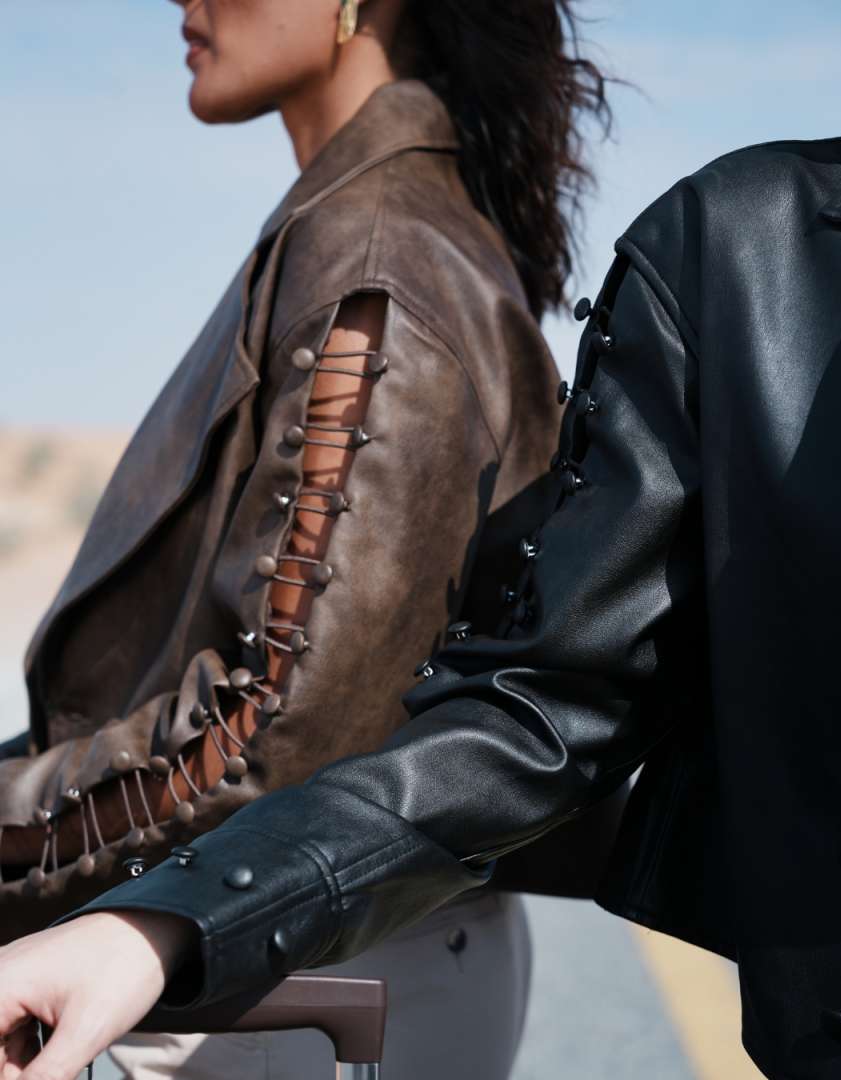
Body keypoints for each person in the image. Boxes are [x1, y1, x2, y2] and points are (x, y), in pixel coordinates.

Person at [0, 1, 616, 1078]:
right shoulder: (372, 227)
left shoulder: (380, 253)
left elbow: (279, 734)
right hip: (297, 958)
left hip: (287, 983)